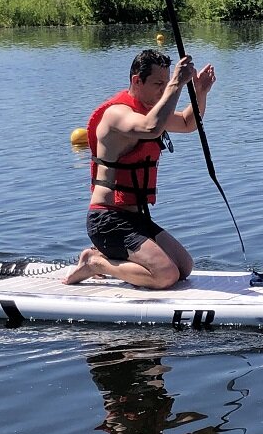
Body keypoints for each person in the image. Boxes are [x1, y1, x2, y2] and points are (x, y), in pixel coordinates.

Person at [64, 48, 216, 289]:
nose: (164, 89)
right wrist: (177, 83)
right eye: (158, 83)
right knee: (166, 275)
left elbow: (188, 123)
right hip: (107, 219)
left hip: (135, 217)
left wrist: (200, 92)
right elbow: (150, 128)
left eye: (166, 82)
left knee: (184, 267)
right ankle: (95, 262)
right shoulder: (117, 114)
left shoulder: (152, 111)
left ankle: (101, 256)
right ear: (137, 80)